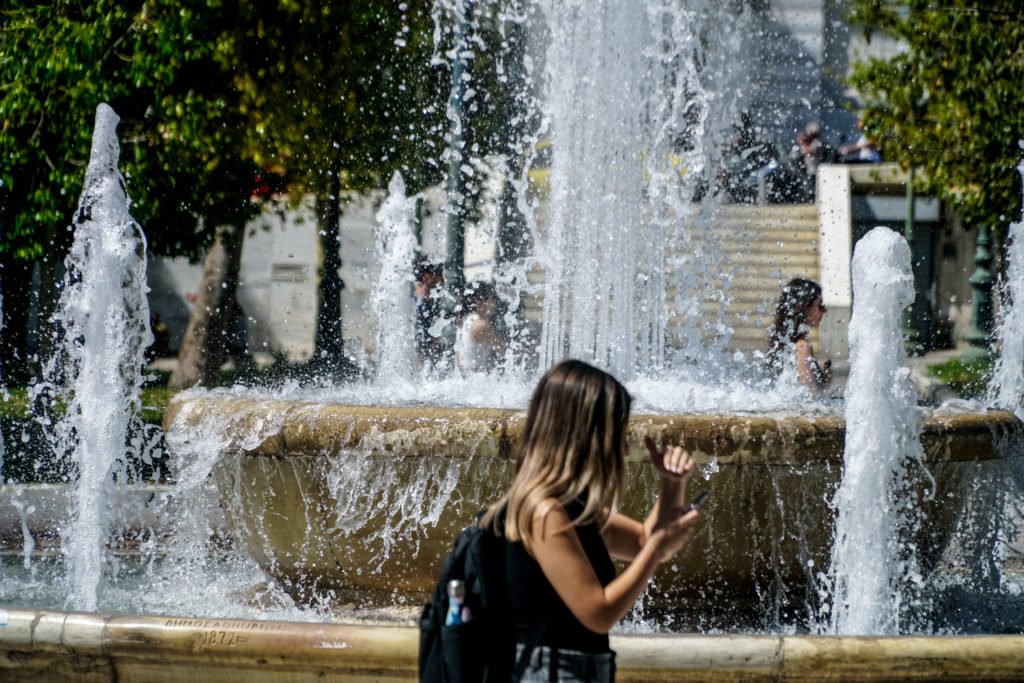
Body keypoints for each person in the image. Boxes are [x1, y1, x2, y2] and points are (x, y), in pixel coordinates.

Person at [480, 360, 702, 682]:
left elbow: (641, 540)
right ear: (584, 436)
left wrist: (672, 483)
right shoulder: (546, 513)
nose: (624, 448)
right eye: (617, 434)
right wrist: (656, 548)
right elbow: (598, 613)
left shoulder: (572, 507)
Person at [766, 278, 832, 394]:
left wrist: (824, 378)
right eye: (820, 306)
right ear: (804, 308)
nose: (824, 311)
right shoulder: (802, 347)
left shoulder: (784, 343)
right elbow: (810, 396)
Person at [455, 280, 506, 373]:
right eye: (492, 299)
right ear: (479, 301)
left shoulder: (465, 320)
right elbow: (505, 351)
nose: (495, 303)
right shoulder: (481, 325)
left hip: (467, 379)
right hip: (475, 380)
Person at [789, 122, 835, 201]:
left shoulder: (818, 142)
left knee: (813, 192)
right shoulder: (811, 142)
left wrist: (801, 143)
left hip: (815, 172)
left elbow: (807, 151)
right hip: (809, 172)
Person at [414, 260, 446, 369]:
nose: (442, 280)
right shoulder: (420, 304)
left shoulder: (432, 301)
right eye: (439, 275)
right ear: (426, 277)